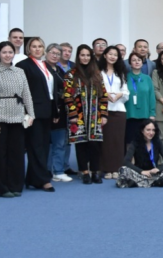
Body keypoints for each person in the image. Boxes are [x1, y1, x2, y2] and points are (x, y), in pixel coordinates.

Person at [0, 41, 37, 197]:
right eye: (4, 52)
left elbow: (27, 94)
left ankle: (15, 185)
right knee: (0, 154)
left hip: (18, 117)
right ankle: (1, 187)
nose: (8, 55)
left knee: (17, 153)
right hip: (0, 117)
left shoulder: (19, 72)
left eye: (10, 52)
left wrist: (31, 114)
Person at [15, 38, 58, 192]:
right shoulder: (23, 65)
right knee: (36, 146)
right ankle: (43, 180)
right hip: (33, 112)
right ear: (29, 49)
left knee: (43, 146)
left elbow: (51, 90)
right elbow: (20, 91)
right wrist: (26, 111)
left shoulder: (46, 65)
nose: (37, 49)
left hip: (47, 110)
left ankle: (33, 178)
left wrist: (55, 111)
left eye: (40, 46)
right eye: (34, 46)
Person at [64, 45, 110, 185]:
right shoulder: (71, 74)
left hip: (95, 116)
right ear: (78, 56)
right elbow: (67, 96)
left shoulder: (97, 74)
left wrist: (104, 114)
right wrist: (72, 114)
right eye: (82, 55)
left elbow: (103, 95)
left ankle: (95, 171)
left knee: (95, 145)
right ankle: (84, 172)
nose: (85, 58)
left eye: (88, 55)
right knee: (81, 144)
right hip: (78, 116)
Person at [96, 47, 129, 180]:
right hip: (103, 110)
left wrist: (119, 95)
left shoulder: (120, 72)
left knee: (118, 141)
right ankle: (106, 168)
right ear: (105, 55)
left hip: (119, 110)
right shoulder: (98, 72)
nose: (112, 57)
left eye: (115, 55)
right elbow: (96, 89)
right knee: (105, 141)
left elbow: (126, 91)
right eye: (110, 54)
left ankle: (116, 168)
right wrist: (105, 94)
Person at [116, 121, 163, 188]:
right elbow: (126, 162)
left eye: (153, 130)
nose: (151, 133)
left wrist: (159, 169)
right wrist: (142, 171)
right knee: (123, 169)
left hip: (154, 173)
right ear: (142, 131)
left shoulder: (157, 142)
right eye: (148, 130)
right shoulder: (135, 143)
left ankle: (144, 183)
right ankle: (153, 182)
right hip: (139, 173)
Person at [44, 44, 71, 182]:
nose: (55, 56)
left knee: (60, 142)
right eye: (52, 52)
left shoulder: (61, 71)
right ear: (46, 53)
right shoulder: (42, 69)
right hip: (46, 110)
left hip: (61, 111)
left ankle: (58, 171)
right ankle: (46, 170)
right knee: (46, 143)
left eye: (57, 54)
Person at [125, 52, 157, 157]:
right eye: (134, 60)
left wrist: (152, 113)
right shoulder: (125, 77)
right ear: (130, 63)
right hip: (129, 115)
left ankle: (142, 163)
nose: (137, 62)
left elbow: (151, 97)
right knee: (129, 141)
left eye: (139, 60)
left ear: (142, 63)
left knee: (143, 142)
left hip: (144, 115)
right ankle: (129, 163)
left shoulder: (147, 78)